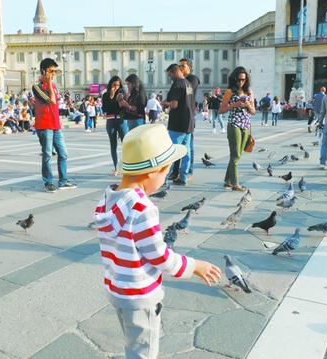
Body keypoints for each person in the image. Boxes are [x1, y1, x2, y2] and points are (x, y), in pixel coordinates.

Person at [93, 124, 221, 359]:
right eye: (165, 172)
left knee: (133, 343)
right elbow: (160, 256)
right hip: (140, 295)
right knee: (144, 352)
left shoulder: (107, 200)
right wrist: (194, 266)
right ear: (153, 171)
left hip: (118, 291)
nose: (164, 179)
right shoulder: (142, 208)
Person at [32, 58, 77, 193]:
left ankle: (63, 181)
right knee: (47, 155)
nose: (54, 74)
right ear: (44, 71)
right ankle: (48, 182)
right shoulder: (37, 87)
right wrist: (49, 83)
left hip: (56, 125)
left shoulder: (54, 87)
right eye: (51, 71)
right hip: (44, 125)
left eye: (55, 71)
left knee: (63, 154)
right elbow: (51, 101)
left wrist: (51, 83)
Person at [219, 66, 256, 191]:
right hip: (234, 124)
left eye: (244, 80)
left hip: (245, 125)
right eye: (239, 79)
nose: (241, 82)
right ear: (234, 79)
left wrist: (248, 106)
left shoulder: (249, 92)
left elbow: (253, 111)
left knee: (238, 155)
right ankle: (235, 184)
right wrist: (234, 105)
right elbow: (221, 110)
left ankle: (227, 180)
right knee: (235, 155)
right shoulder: (230, 91)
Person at [162, 63, 195, 186]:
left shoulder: (177, 84)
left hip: (178, 123)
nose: (170, 78)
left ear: (175, 72)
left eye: (170, 75)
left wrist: (165, 103)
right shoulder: (188, 84)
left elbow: (175, 104)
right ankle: (183, 177)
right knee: (186, 152)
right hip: (189, 122)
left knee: (170, 151)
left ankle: (163, 178)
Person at [178, 58, 200, 182]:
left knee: (189, 146)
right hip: (181, 116)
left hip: (189, 116)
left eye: (183, 66)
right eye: (179, 66)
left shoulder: (193, 79)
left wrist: (181, 79)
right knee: (181, 146)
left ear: (189, 68)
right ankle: (178, 172)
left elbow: (188, 91)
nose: (180, 68)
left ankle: (189, 171)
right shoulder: (180, 80)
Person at [102, 76, 127, 176]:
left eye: (118, 85)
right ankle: (116, 168)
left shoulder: (122, 94)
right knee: (113, 145)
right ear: (110, 85)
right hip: (110, 120)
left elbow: (121, 108)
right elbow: (105, 108)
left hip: (121, 120)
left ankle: (126, 167)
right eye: (114, 85)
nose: (116, 87)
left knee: (126, 144)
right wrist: (111, 97)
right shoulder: (105, 95)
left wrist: (118, 100)